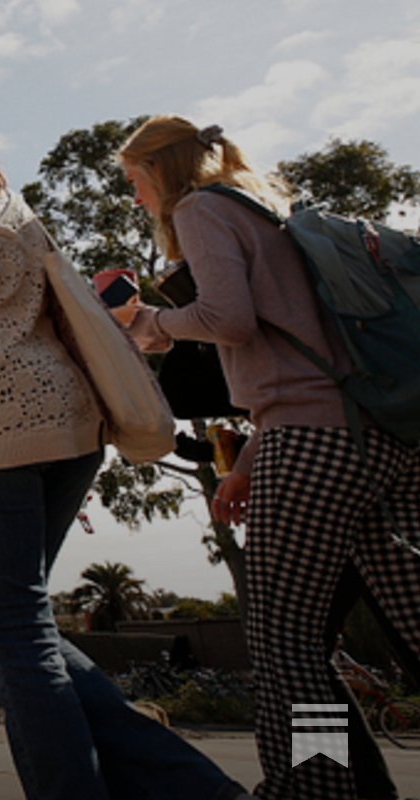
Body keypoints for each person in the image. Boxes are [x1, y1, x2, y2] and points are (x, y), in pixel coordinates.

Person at [0, 89, 256, 800]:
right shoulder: (5, 199)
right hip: (74, 423)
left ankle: (328, 779)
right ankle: (226, 787)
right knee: (13, 621)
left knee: (16, 632)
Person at [115, 115, 420, 800]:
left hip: (311, 448)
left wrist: (149, 324)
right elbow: (314, 362)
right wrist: (250, 455)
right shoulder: (266, 210)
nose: (138, 199)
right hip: (379, 440)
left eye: (136, 183)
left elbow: (229, 319)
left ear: (160, 171)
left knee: (289, 645)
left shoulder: (199, 208)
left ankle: (315, 786)